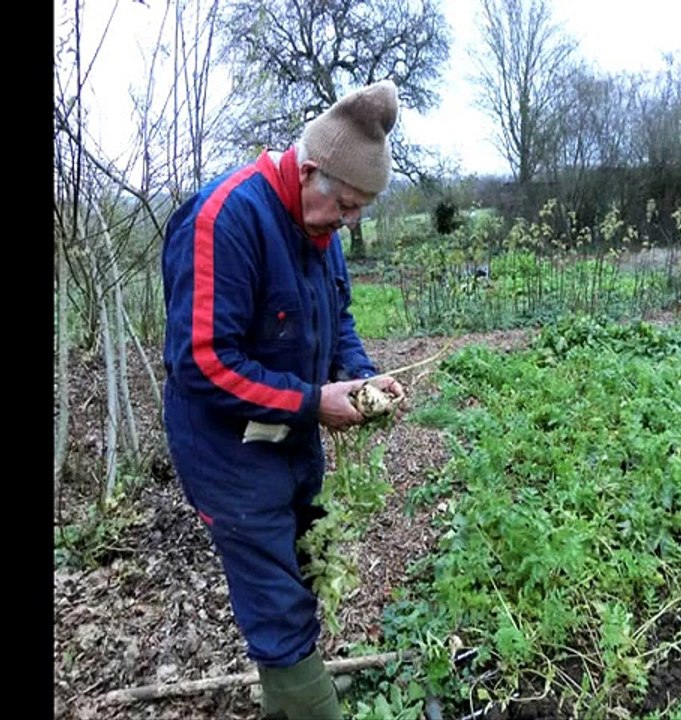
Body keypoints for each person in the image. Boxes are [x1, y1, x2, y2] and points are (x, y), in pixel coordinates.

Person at [161, 80, 405, 720]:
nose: (347, 225)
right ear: (307, 170)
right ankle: (309, 702)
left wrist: (362, 376)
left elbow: (338, 320)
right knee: (274, 596)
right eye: (344, 206)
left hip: (289, 436)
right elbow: (203, 362)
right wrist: (312, 403)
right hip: (225, 451)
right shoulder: (226, 219)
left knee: (302, 563)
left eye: (359, 213)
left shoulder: (321, 230)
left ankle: (294, 690)